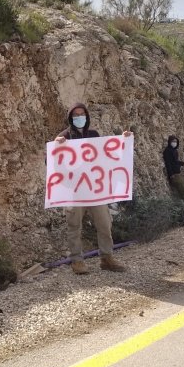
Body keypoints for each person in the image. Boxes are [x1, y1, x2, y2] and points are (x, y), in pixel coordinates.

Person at [54, 103, 131, 275]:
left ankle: (107, 258)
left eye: (82, 114)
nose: (79, 118)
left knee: (104, 224)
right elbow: (51, 161)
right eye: (76, 115)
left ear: (87, 117)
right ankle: (77, 261)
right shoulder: (64, 137)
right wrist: (56, 146)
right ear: (70, 118)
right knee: (74, 226)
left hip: (95, 190)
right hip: (74, 191)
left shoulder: (94, 135)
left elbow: (107, 155)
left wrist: (124, 140)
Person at [162, 135, 184, 200]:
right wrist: (171, 174)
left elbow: (175, 161)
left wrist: (183, 163)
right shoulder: (167, 151)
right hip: (174, 174)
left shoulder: (174, 150)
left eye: (175, 141)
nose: (174, 143)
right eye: (173, 141)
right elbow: (168, 163)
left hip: (177, 173)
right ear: (169, 142)